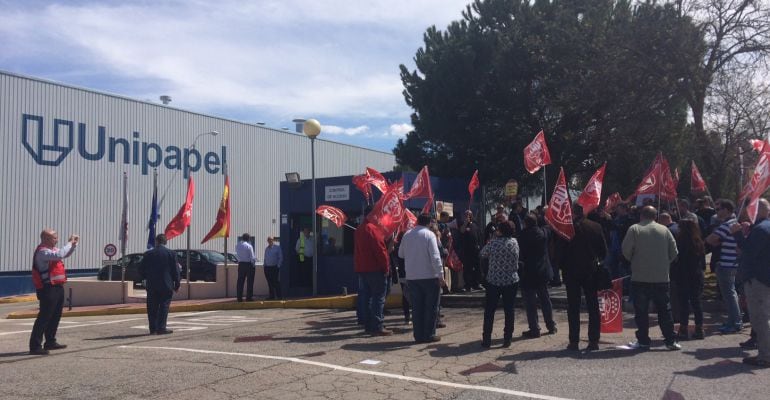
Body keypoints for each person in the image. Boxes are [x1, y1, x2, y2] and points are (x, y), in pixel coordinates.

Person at [622, 206, 681, 351]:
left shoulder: (634, 229)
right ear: (655, 216)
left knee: (641, 312)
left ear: (641, 215)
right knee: (665, 311)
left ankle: (643, 340)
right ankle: (670, 340)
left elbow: (626, 251)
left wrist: (635, 260)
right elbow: (674, 253)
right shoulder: (664, 230)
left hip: (640, 277)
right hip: (661, 277)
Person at [552, 204, 606, 351]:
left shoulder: (566, 229)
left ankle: (574, 341)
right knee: (593, 306)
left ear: (572, 214)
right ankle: (594, 340)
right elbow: (603, 251)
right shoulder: (595, 227)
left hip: (571, 272)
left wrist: (560, 267)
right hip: (591, 270)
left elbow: (558, 253)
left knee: (573, 307)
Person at [731, 198, 770, 368]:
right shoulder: (765, 226)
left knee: (760, 319)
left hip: (758, 280)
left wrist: (737, 234)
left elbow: (748, 250)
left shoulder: (761, 229)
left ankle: (766, 356)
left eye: (749, 209)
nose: (747, 213)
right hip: (764, 277)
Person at [29, 229, 78, 355]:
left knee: (55, 315)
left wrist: (73, 245)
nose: (56, 239)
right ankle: (35, 346)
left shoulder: (52, 250)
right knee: (44, 317)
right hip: (47, 288)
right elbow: (60, 255)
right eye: (54, 238)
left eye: (56, 237)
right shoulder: (42, 251)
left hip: (57, 287)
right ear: (45, 238)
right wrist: (69, 243)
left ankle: (50, 341)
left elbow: (65, 254)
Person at [399, 213, 444, 343]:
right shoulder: (429, 235)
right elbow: (436, 258)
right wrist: (441, 275)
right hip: (429, 276)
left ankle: (418, 335)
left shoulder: (407, 234)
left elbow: (400, 254)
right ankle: (429, 334)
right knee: (430, 307)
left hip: (412, 277)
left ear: (417, 221)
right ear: (430, 223)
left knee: (417, 308)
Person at [479, 220, 520, 348]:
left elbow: (482, 254)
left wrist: (493, 238)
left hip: (494, 280)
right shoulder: (514, 243)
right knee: (509, 310)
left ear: (500, 231)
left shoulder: (494, 243)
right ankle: (507, 338)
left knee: (490, 310)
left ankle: (487, 339)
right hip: (511, 279)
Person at [705, 199, 742, 333]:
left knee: (729, 295)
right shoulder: (735, 223)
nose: (716, 212)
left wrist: (718, 239)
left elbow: (709, 239)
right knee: (732, 294)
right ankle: (734, 320)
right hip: (733, 263)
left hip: (726, 264)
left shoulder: (727, 224)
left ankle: (735, 322)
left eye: (718, 209)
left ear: (726, 210)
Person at [518, 213, 556, 338]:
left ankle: (534, 328)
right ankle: (551, 325)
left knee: (530, 303)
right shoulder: (542, 233)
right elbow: (549, 228)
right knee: (545, 300)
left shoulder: (522, 236)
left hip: (528, 272)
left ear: (525, 224)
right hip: (542, 272)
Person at [354, 212, 392, 336]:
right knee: (378, 298)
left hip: (363, 269)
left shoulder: (360, 229)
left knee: (367, 297)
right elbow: (380, 251)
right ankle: (377, 326)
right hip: (375, 269)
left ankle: (369, 325)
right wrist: (386, 268)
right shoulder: (373, 229)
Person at [672, 219, 706, 340]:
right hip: (696, 275)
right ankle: (699, 328)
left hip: (683, 275)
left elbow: (676, 260)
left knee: (683, 303)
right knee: (696, 302)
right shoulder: (698, 242)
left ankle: (683, 328)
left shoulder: (679, 242)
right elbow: (702, 261)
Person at [139, 234, 180, 335]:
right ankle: (161, 328)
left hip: (152, 284)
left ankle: (152, 329)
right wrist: (177, 283)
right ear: (165, 242)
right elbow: (176, 271)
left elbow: (140, 269)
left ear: (156, 241)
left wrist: (146, 277)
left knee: (152, 307)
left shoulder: (148, 254)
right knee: (164, 306)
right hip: (166, 284)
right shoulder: (171, 254)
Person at [458, 210, 483, 292]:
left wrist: (480, 246)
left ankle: (476, 284)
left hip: (476, 250)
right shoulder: (462, 224)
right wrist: (466, 223)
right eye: (466, 215)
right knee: (467, 268)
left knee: (477, 268)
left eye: (469, 214)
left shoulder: (475, 225)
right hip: (466, 251)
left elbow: (479, 236)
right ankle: (467, 285)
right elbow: (461, 231)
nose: (468, 216)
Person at [235, 233, 257, 302]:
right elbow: (252, 257)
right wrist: (253, 265)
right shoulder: (249, 246)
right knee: (250, 281)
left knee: (240, 282)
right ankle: (249, 297)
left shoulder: (237, 245)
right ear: (248, 238)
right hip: (248, 265)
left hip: (241, 264)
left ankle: (239, 297)